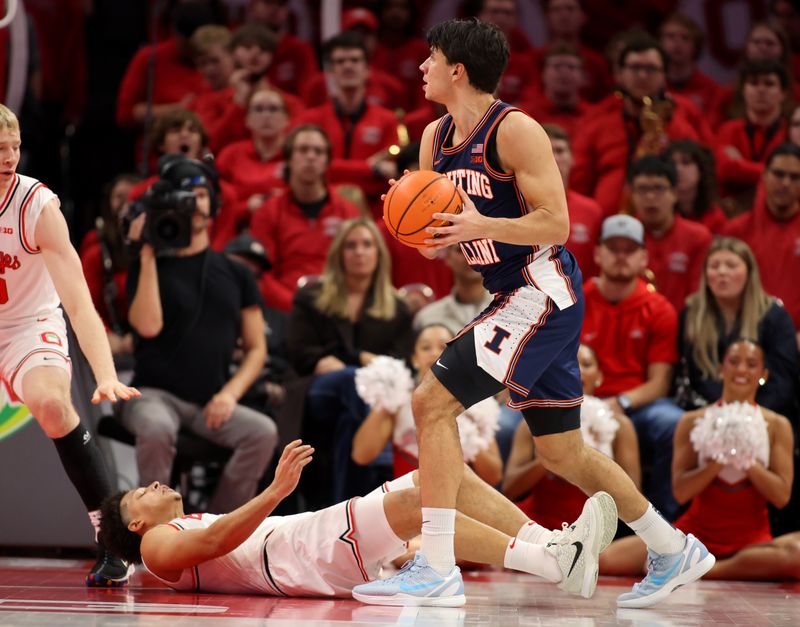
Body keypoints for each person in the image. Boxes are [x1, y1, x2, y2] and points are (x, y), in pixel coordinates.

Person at [353, 19, 714, 609]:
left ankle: (437, 565)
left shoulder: (516, 130)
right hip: (508, 292)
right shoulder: (432, 140)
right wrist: (414, 224)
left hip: (540, 288)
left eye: (431, 59)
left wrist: (479, 224)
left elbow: (557, 224)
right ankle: (672, 548)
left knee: (430, 401)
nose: (422, 69)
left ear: (458, 71)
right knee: (560, 452)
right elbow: (431, 242)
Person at [99, 440, 617, 603]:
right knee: (424, 501)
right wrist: (277, 490)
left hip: (298, 544)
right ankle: (551, 561)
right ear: (137, 525)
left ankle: (550, 547)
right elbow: (214, 540)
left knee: (441, 473)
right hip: (296, 555)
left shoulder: (173, 527)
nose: (151, 486)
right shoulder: (155, 549)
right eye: (139, 495)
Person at [0, 104, 140, 585]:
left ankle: (114, 543)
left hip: (28, 325)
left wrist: (105, 374)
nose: (9, 158)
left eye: (15, 147)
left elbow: (79, 301)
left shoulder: (36, 206)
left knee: (53, 406)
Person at [118, 155, 279, 514]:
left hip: (210, 401)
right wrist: (144, 255)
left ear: (214, 204)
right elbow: (147, 327)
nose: (193, 203)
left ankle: (217, 525)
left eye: (201, 195)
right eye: (183, 195)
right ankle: (154, 531)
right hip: (152, 395)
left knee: (262, 432)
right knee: (158, 427)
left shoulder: (237, 274)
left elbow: (256, 349)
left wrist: (229, 393)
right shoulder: (151, 265)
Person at [601, 339, 799, 585]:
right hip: (693, 537)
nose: (741, 370)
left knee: (796, 555)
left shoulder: (777, 425)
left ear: (763, 374)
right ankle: (690, 561)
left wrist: (748, 462)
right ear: (720, 369)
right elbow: (680, 492)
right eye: (734, 362)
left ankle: (705, 570)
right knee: (607, 559)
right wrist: (716, 462)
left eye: (751, 364)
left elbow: (781, 496)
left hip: (752, 543)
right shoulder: (691, 421)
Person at [285, 217, 413, 506]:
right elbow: (298, 350)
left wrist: (350, 360)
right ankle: (368, 482)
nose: (359, 252)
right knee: (350, 381)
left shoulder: (398, 309)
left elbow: (401, 364)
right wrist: (345, 361)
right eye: (351, 246)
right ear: (339, 254)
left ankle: (342, 508)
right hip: (314, 391)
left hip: (370, 403)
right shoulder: (312, 297)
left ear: (378, 253)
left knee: (349, 417)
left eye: (367, 244)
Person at [582, 214, 684, 521]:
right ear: (598, 253)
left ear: (643, 257)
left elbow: (660, 382)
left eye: (630, 249)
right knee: (509, 427)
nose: (621, 256)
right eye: (614, 248)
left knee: (672, 423)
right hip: (578, 397)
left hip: (635, 402)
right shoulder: (576, 299)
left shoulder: (659, 308)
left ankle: (667, 520)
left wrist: (620, 403)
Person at [504, 344, 640, 531]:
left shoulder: (620, 426)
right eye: (569, 363)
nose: (577, 370)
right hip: (534, 524)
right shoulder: (532, 421)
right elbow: (509, 489)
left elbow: (634, 500)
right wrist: (549, 454)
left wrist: (590, 455)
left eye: (586, 364)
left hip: (592, 532)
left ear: (599, 376)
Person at [352, 324, 503, 486]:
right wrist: (387, 401)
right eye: (425, 348)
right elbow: (361, 455)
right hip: (406, 501)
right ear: (414, 359)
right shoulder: (398, 401)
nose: (434, 353)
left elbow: (494, 476)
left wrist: (469, 433)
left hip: (458, 503)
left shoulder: (476, 406)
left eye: (443, 347)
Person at [679, 237, 798, 421]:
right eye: (714, 266)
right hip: (708, 410)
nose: (722, 272)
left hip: (766, 411)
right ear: (705, 275)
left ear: (749, 273)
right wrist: (724, 409)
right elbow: (697, 376)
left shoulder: (774, 317)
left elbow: (782, 382)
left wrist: (748, 413)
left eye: (731, 265)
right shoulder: (692, 314)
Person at [249, 125, 360, 312]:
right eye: (303, 150)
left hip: (338, 308)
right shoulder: (267, 212)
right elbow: (263, 274)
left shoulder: (347, 211)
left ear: (326, 161)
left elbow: (357, 270)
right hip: (284, 310)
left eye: (318, 151)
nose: (310, 157)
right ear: (289, 159)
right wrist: (296, 306)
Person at [723, 143, 800, 335]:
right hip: (747, 334)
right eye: (779, 174)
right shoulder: (736, 230)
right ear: (764, 175)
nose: (786, 183)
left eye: (795, 177)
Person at [628, 155, 713, 314]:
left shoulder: (698, 237)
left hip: (683, 327)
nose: (650, 197)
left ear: (674, 193)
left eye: (658, 188)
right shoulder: (622, 237)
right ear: (632, 195)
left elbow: (699, 297)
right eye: (642, 189)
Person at [543, 123, 602, 278]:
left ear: (572, 159)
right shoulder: (516, 206)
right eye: (547, 151)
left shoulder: (592, 212)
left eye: (560, 151)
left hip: (580, 298)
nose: (554, 158)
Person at [413, 246, 492, 334]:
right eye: (461, 250)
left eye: (479, 249)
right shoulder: (427, 318)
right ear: (447, 256)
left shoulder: (508, 311)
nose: (471, 256)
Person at [665, 139, 727, 234]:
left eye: (686, 162)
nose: (678, 169)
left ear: (701, 171)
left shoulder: (715, 217)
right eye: (672, 164)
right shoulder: (660, 214)